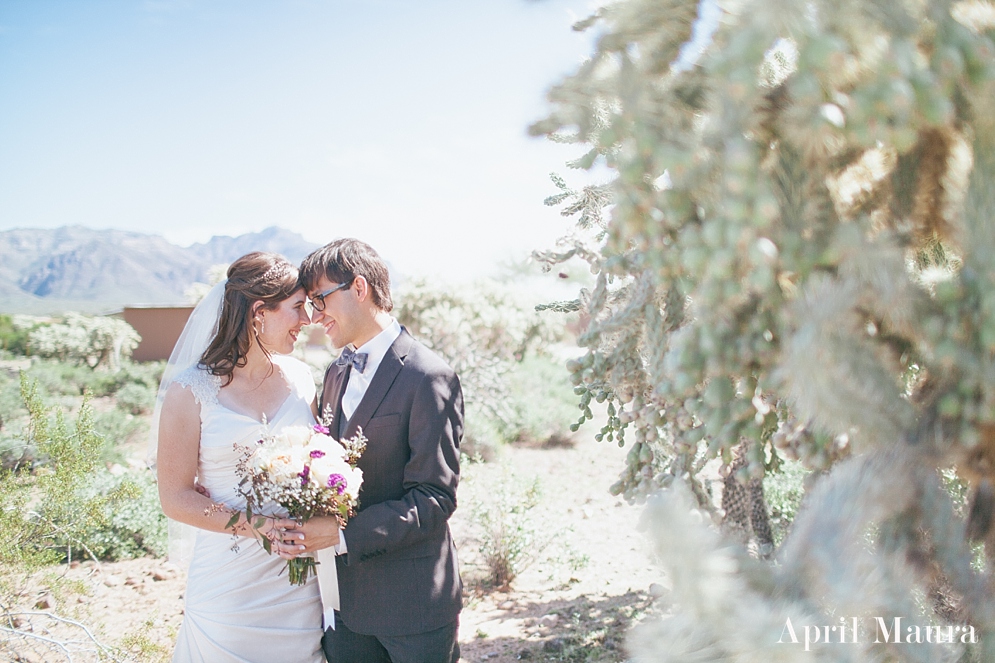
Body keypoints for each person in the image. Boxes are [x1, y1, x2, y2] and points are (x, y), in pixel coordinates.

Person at [276, 238, 464, 663]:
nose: (313, 316)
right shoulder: (336, 372)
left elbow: (433, 498)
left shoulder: (428, 376)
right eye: (308, 305)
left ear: (359, 288)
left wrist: (342, 535)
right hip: (345, 610)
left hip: (413, 608)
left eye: (320, 299)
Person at [153, 252, 325, 663]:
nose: (308, 319)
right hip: (229, 585)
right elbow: (174, 497)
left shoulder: (302, 378)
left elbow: (320, 458)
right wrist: (258, 528)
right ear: (259, 312)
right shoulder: (188, 392)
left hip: (297, 582)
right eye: (298, 307)